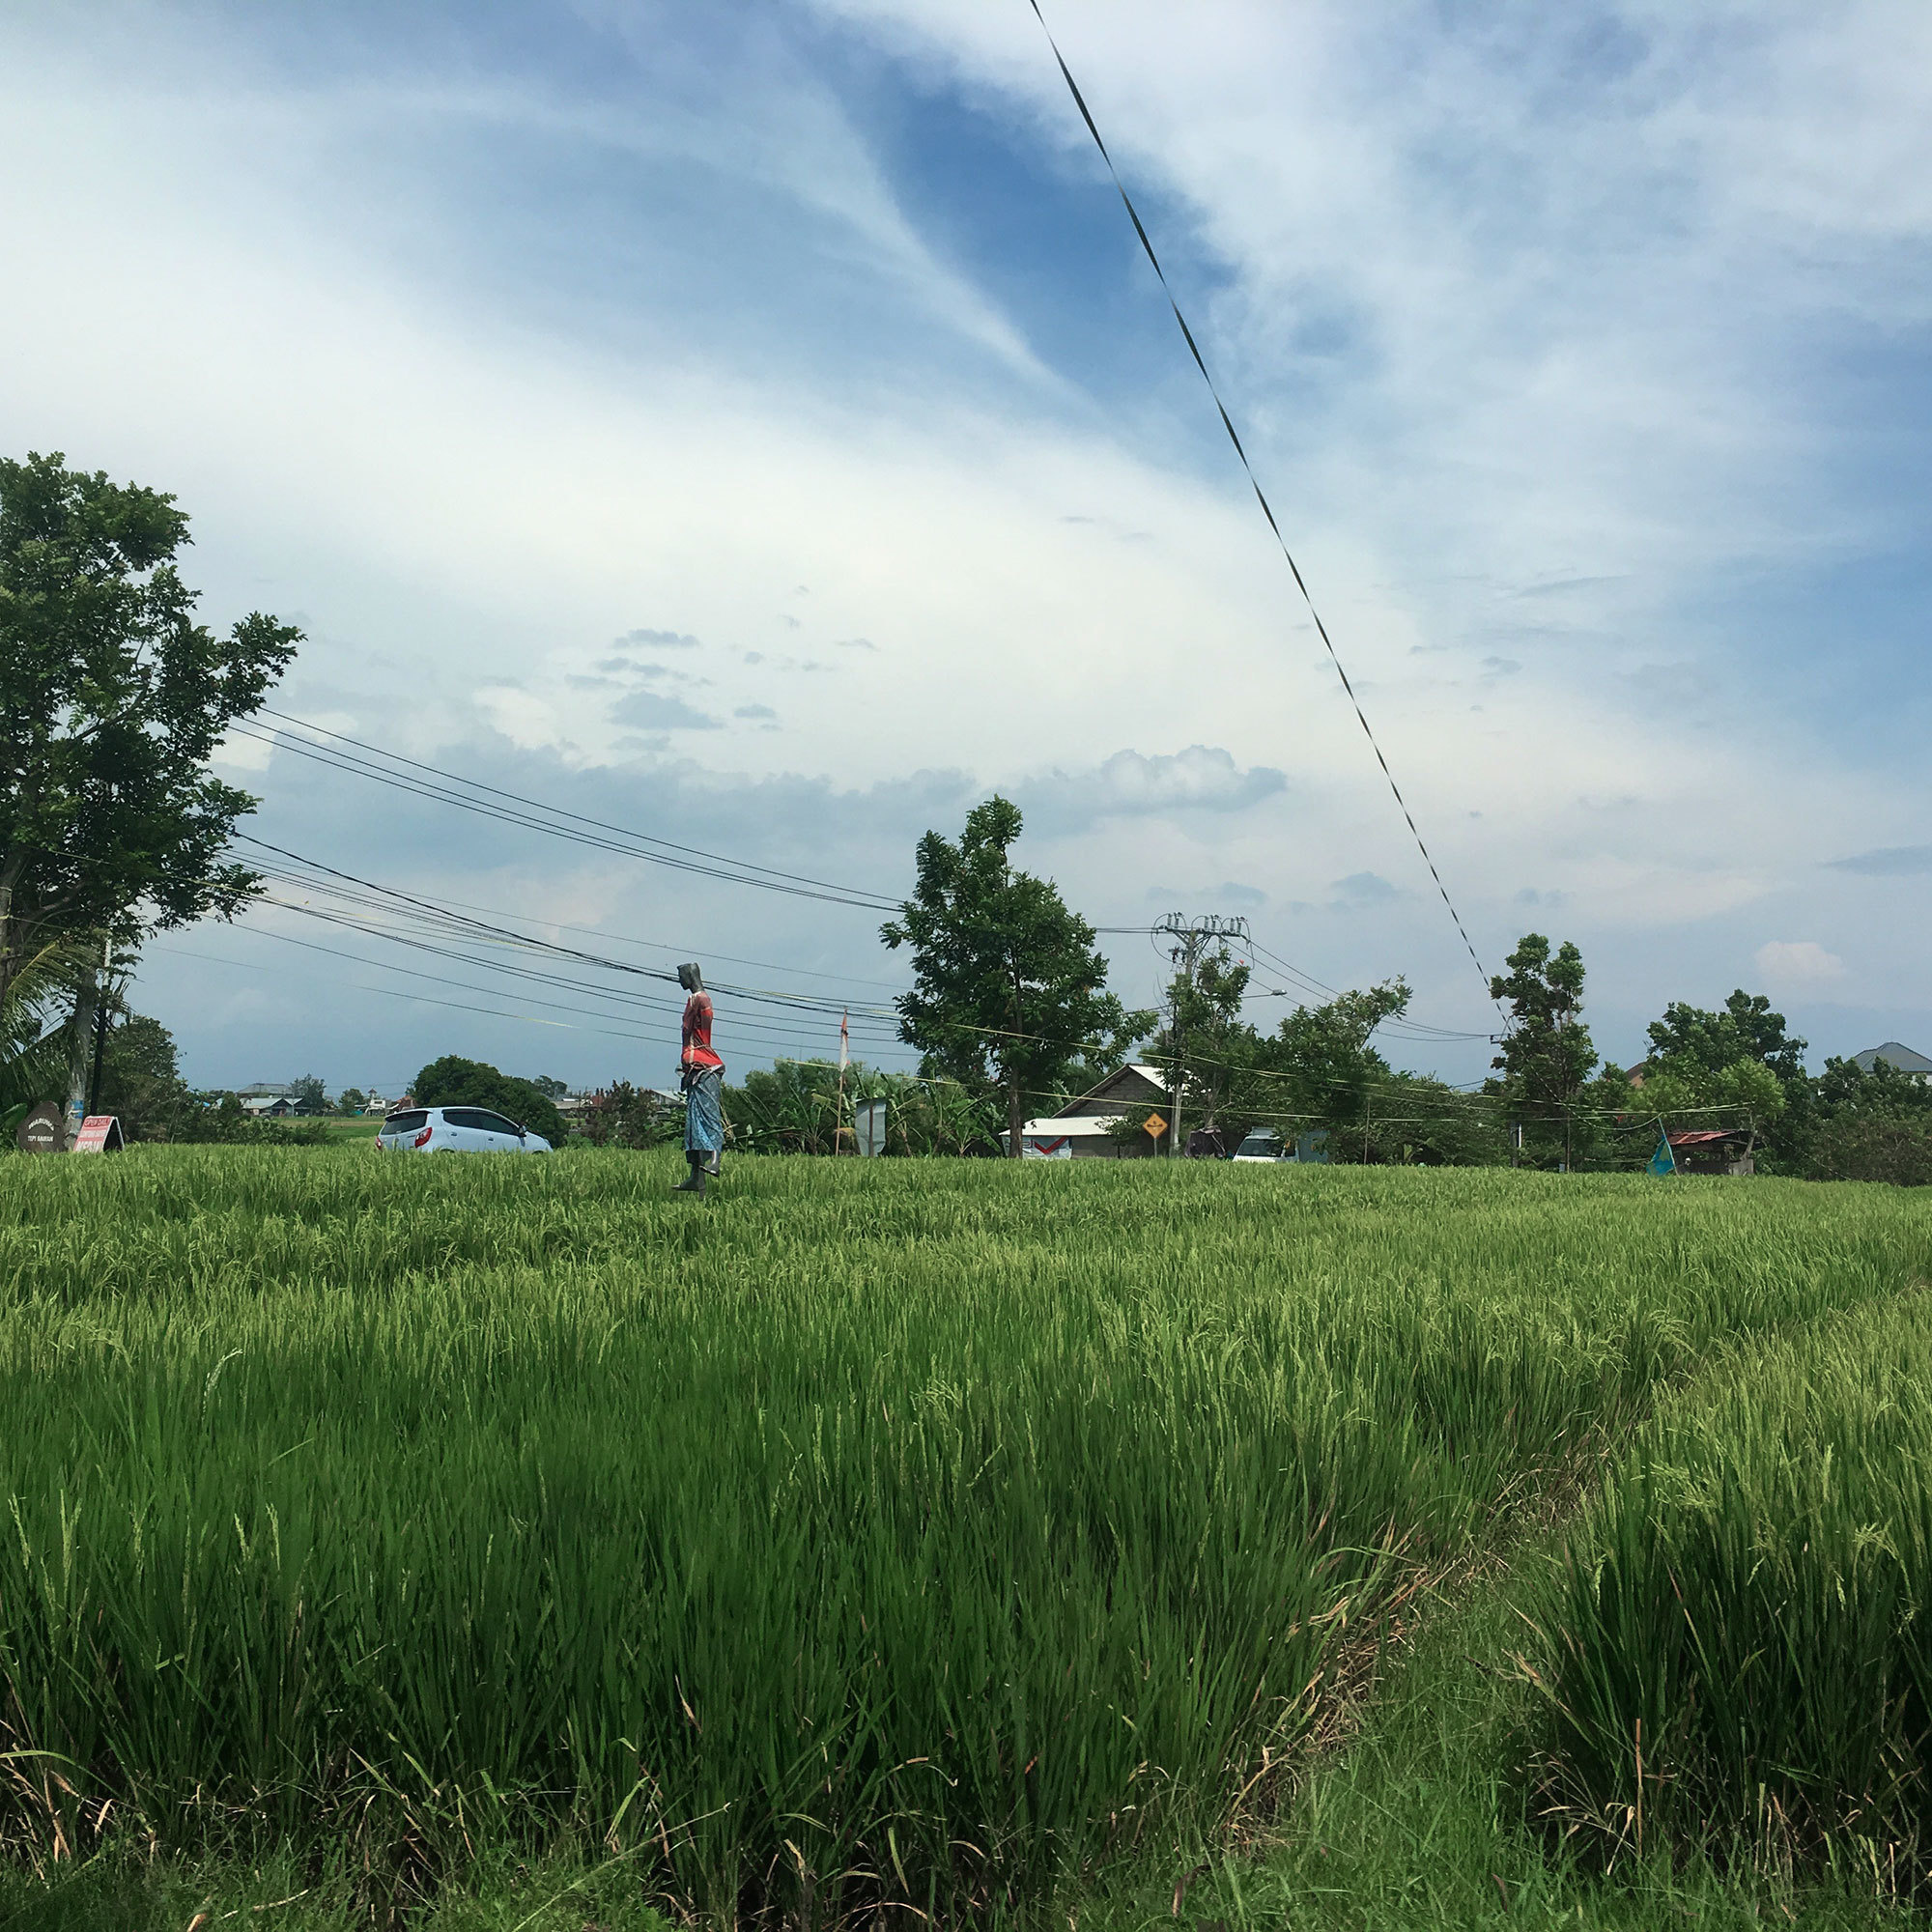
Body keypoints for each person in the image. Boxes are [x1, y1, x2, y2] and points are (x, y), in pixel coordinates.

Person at [674, 961, 724, 1195]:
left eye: (681, 975)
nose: (679, 980)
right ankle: (696, 1177)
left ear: (689, 975)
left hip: (706, 1069)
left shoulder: (701, 1000)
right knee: (694, 1126)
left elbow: (704, 1020)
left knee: (708, 1116)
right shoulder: (693, 1000)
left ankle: (715, 1159)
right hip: (695, 1071)